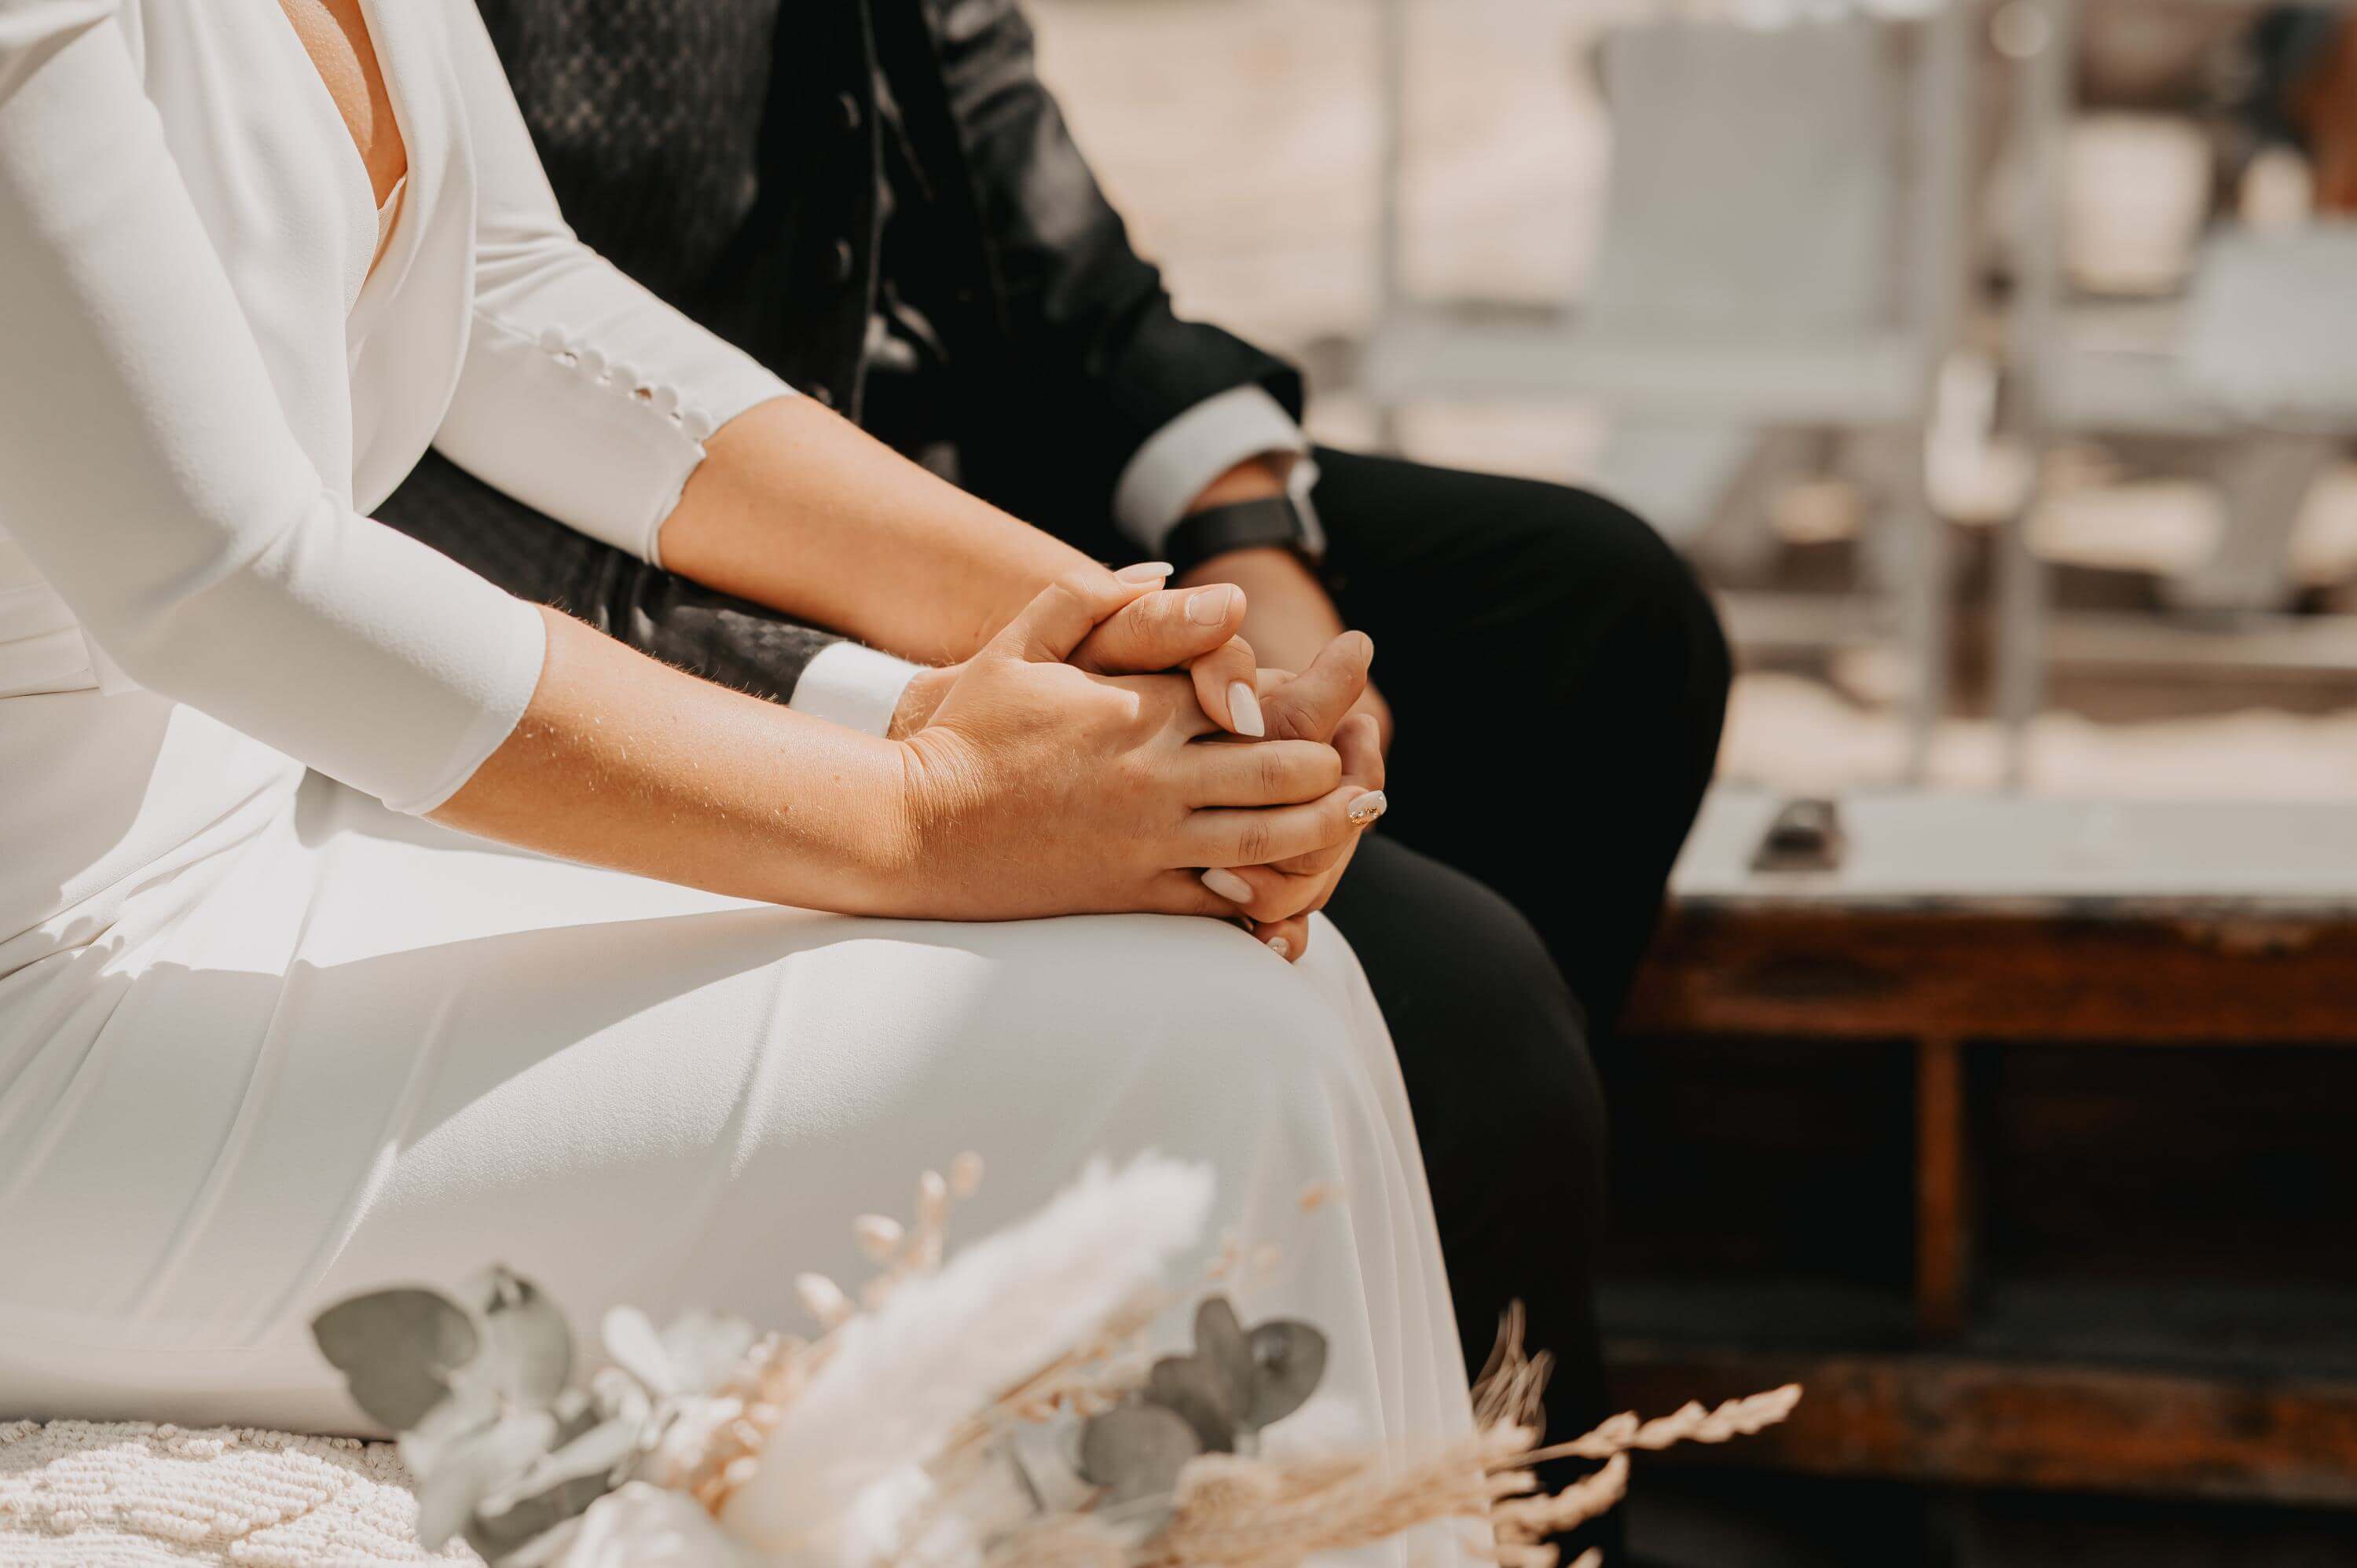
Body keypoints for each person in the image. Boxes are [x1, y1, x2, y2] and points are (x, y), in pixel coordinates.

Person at [0, 0, 1476, 1533]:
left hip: (253, 848)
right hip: (40, 1029)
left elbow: (511, 289)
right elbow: (226, 577)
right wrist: (931, 811)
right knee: (1215, 1064)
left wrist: (1123, 635)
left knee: (1264, 989)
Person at [376, 3, 1732, 1549]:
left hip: (970, 470)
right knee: (1461, 1016)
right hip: (637, 584)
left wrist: (1243, 552)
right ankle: (1476, 1492)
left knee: (1595, 626)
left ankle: (1406, 1335)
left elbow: (995, 140)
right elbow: (443, 429)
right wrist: (962, 706)